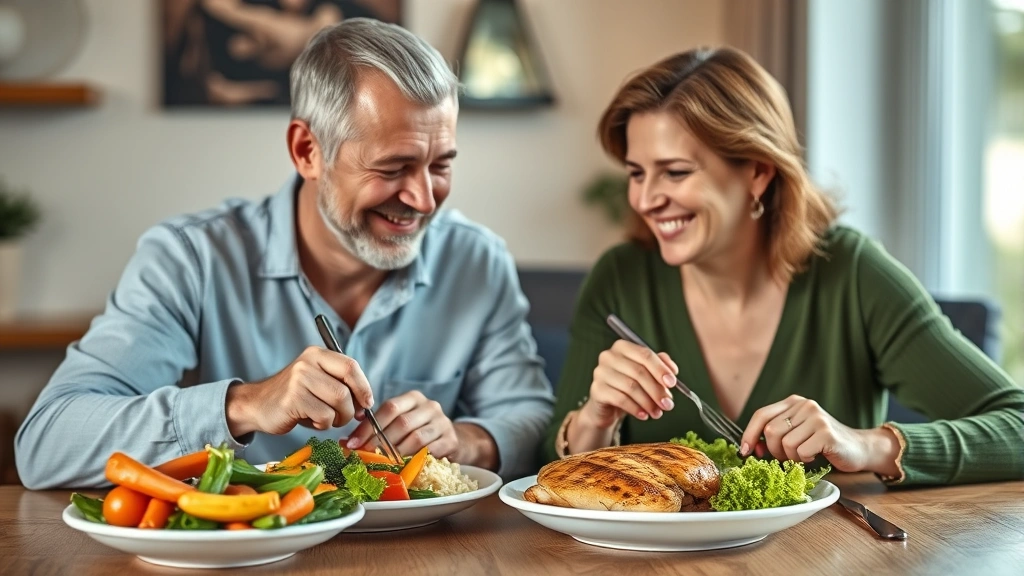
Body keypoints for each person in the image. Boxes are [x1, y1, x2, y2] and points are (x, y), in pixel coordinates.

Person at [16, 18, 553, 489]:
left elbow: (530, 414)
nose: (424, 198)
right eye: (392, 168)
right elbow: (46, 444)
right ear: (307, 151)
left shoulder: (477, 260)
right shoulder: (189, 260)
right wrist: (244, 405)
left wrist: (467, 440)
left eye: (441, 165)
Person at [542, 46, 1024, 485]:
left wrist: (866, 444)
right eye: (636, 173)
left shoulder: (852, 275)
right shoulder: (620, 279)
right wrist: (593, 423)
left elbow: (1017, 424)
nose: (647, 199)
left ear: (757, 171)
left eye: (676, 172)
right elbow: (549, 470)